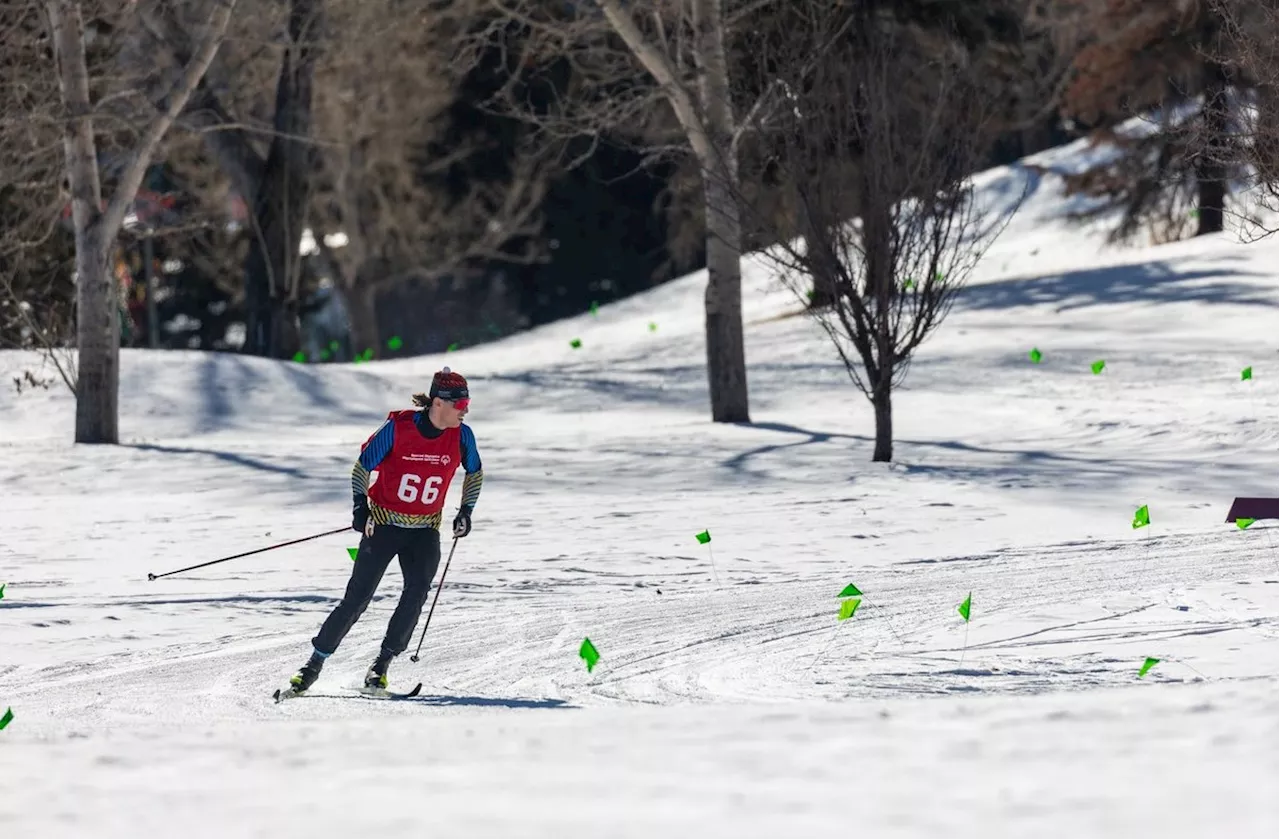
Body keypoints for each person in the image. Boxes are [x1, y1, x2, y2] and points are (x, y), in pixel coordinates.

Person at [287, 367, 483, 693]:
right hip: (382, 526)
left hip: (425, 531)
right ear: (438, 403)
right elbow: (362, 467)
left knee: (416, 593)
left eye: (467, 403)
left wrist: (466, 511)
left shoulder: (462, 436)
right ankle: (313, 664)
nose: (466, 410)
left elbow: (475, 472)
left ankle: (380, 666)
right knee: (358, 598)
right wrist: (360, 507)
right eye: (460, 404)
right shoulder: (398, 429)